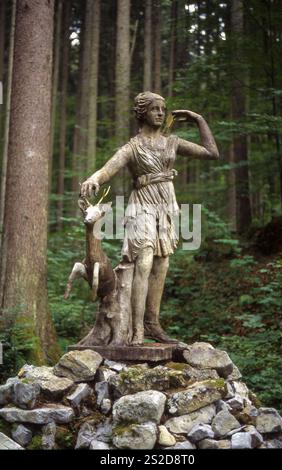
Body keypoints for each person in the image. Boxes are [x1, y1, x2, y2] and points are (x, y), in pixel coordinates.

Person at [80, 91, 220, 346]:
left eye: (163, 109)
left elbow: (211, 153)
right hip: (141, 204)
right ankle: (136, 331)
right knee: (142, 262)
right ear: (142, 112)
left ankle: (152, 324)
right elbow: (108, 168)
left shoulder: (172, 142)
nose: (160, 113)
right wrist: (93, 179)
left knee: (161, 264)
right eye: (155, 109)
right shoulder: (132, 147)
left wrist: (198, 119)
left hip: (166, 205)